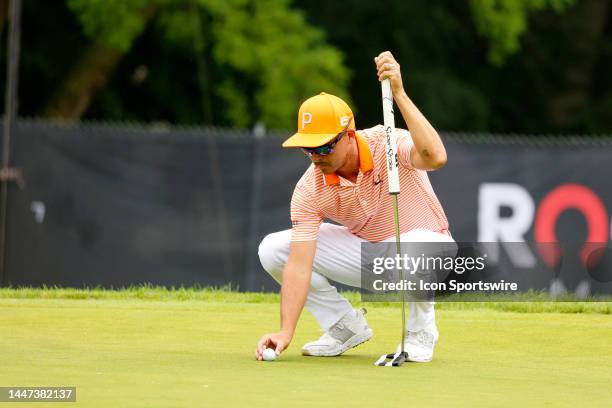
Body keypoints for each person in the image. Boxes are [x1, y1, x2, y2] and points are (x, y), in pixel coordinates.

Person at [255, 51, 454, 363]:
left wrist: (399, 93)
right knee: (273, 248)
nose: (316, 155)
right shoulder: (310, 187)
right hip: (366, 255)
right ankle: (344, 326)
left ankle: (420, 332)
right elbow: (298, 265)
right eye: (308, 148)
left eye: (324, 146)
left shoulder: (387, 141)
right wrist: (285, 331)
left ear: (348, 136)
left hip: (427, 251)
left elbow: (435, 157)